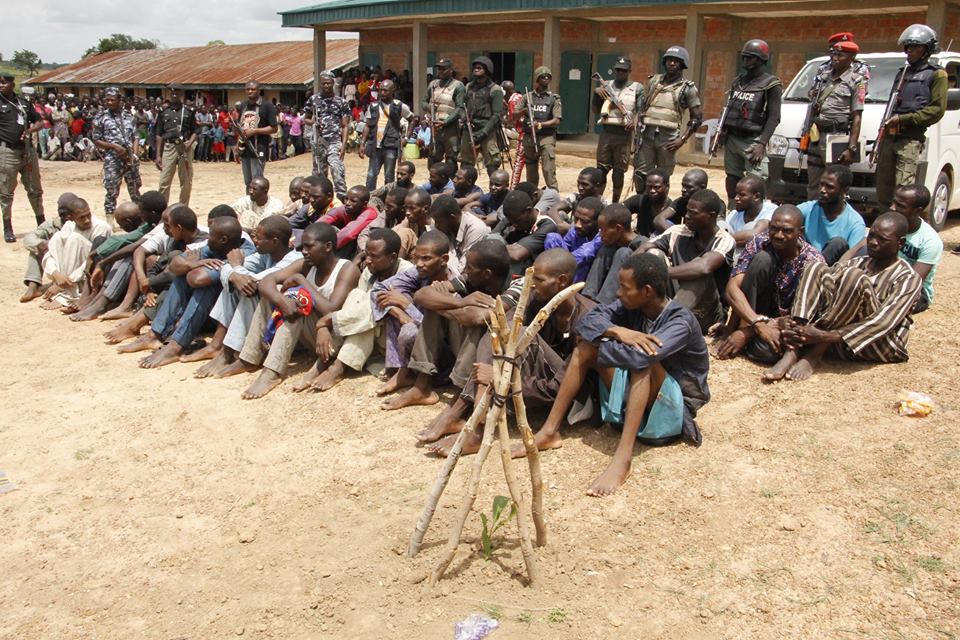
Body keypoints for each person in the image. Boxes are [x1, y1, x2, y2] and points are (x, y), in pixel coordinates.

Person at [516, 253, 709, 497]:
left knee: (645, 362)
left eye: (625, 288)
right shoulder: (630, 307)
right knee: (585, 346)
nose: (618, 293)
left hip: (671, 409)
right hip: (639, 396)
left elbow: (643, 357)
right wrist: (616, 331)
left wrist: (606, 342)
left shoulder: (680, 321)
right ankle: (549, 431)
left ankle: (623, 458)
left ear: (647, 291)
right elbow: (587, 323)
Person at [423, 249, 597, 454]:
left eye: (539, 280)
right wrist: (493, 378)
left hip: (574, 398)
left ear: (561, 281)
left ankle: (474, 428)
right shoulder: (537, 298)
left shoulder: (587, 316)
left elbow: (561, 386)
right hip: (542, 381)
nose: (532, 284)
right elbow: (501, 329)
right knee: (500, 331)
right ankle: (466, 416)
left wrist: (502, 381)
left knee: (521, 334)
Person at [763, 212, 922, 382]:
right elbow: (825, 287)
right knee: (816, 267)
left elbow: (882, 323)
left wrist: (822, 336)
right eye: (872, 236)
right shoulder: (858, 262)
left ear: (900, 243)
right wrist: (800, 326)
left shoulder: (908, 278)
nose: (874, 242)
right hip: (840, 342)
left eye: (882, 239)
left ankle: (814, 354)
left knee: (854, 277)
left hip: (877, 344)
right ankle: (793, 349)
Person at [379, 238, 524, 411]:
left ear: (486, 274)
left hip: (499, 359)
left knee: (477, 322)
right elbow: (422, 295)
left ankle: (462, 395)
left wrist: (448, 303)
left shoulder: (517, 284)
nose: (465, 271)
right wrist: (460, 303)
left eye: (469, 267)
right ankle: (421, 386)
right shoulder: (472, 279)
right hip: (466, 348)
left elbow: (479, 318)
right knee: (437, 306)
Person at [219, 222, 360, 399]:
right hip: (312, 333)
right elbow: (266, 281)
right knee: (272, 297)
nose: (304, 251)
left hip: (331, 336)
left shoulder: (346, 269)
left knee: (298, 303)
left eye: (309, 247)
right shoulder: (306, 263)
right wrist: (281, 300)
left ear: (328, 247)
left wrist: (301, 280)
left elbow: (331, 310)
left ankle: (272, 372)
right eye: (303, 247)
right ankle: (249, 358)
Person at [118, 214, 254, 369]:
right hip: (205, 313)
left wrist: (192, 265)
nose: (207, 239)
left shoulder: (244, 254)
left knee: (207, 285)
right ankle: (154, 334)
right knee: (182, 275)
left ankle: (176, 346)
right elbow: (175, 265)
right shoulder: (215, 246)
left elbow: (198, 280)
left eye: (211, 236)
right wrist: (192, 265)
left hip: (226, 318)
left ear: (223, 239)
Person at [299, 228, 413, 392]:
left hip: (396, 337)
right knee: (357, 296)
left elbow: (392, 309)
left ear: (392, 257)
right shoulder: (369, 272)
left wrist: (326, 322)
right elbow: (358, 310)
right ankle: (333, 364)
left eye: (374, 256)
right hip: (370, 331)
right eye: (367, 254)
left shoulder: (407, 272)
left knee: (372, 304)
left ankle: (333, 365)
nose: (367, 260)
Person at [188, 215, 302, 375]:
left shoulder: (293, 260)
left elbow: (259, 281)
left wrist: (236, 267)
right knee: (236, 284)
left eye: (260, 238)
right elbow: (226, 268)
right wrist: (234, 274)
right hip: (266, 314)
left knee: (250, 291)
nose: (255, 241)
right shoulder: (265, 254)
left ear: (275, 242)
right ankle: (219, 346)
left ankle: (233, 354)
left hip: (285, 321)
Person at [713, 205, 825, 364]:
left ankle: (744, 336)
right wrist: (757, 324)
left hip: (786, 321)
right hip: (754, 312)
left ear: (800, 231)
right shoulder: (760, 242)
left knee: (770, 352)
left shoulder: (812, 261)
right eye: (774, 228)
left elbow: (807, 316)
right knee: (762, 259)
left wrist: (750, 331)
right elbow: (732, 289)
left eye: (787, 230)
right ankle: (737, 331)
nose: (779, 235)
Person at [371, 231, 458, 400]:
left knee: (410, 327)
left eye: (425, 258)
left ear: (444, 260)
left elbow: (439, 329)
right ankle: (403, 372)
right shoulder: (420, 273)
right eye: (416, 258)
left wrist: (406, 305)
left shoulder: (455, 286)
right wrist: (402, 314)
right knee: (392, 301)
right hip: (420, 342)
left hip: (444, 357)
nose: (419, 264)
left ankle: (419, 380)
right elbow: (378, 290)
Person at [637, 189, 736, 334]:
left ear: (711, 216)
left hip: (706, 313)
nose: (687, 216)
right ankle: (645, 316)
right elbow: (644, 247)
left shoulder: (724, 240)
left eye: (693, 213)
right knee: (653, 254)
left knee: (699, 272)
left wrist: (660, 272)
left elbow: (704, 267)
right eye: (687, 211)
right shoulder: (678, 231)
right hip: (674, 300)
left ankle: (663, 328)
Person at [875, 24, 948, 209]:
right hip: (889, 138)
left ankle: (901, 229)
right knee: (883, 188)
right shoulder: (903, 73)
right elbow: (891, 107)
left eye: (916, 47)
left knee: (903, 191)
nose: (910, 51)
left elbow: (937, 110)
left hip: (909, 140)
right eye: (908, 47)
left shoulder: (937, 74)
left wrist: (904, 119)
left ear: (927, 50)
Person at [803, 33, 869, 201]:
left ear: (851, 58)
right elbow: (812, 105)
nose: (835, 58)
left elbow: (857, 117)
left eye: (840, 55)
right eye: (833, 54)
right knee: (813, 184)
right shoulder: (823, 77)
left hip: (836, 137)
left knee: (834, 186)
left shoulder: (857, 81)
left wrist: (851, 147)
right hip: (816, 136)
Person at [720, 40, 782, 201]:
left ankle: (756, 215)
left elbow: (774, 117)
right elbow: (729, 108)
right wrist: (722, 132)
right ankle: (733, 208)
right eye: (745, 56)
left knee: (756, 181)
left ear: (762, 60)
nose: (746, 60)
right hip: (732, 138)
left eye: (751, 57)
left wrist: (761, 144)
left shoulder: (771, 84)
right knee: (732, 176)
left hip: (752, 140)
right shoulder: (738, 81)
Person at [635, 46, 703, 190]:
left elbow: (697, 118)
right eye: (669, 60)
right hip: (647, 135)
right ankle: (642, 208)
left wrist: (682, 139)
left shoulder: (687, 88)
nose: (672, 63)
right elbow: (642, 106)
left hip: (669, 140)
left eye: (676, 61)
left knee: (662, 179)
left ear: (682, 64)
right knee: (640, 176)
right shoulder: (654, 82)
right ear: (664, 62)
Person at [38, 197, 111, 309]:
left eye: (88, 215)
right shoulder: (69, 226)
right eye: (81, 217)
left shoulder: (101, 227)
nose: (87, 220)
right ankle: (63, 284)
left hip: (88, 272)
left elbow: (93, 259)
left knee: (74, 239)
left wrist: (67, 281)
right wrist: (56, 274)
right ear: (70, 217)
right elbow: (51, 254)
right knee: (57, 238)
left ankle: (66, 294)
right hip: (66, 276)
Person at [0, 72, 45, 242]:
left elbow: (40, 121)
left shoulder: (23, 103)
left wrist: (30, 131)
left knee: (35, 189)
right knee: (6, 192)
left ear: (13, 84)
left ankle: (41, 224)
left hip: (27, 151)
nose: (1, 85)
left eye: (4, 82)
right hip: (7, 152)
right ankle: (8, 228)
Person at [594, 57, 643, 203]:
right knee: (601, 169)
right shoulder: (607, 85)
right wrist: (597, 93)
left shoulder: (637, 88)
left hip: (624, 135)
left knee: (619, 170)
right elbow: (595, 110)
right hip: (607, 132)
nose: (620, 73)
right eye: (618, 70)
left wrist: (634, 120)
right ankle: (598, 200)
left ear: (629, 71)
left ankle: (615, 201)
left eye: (623, 70)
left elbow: (641, 110)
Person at [798, 164, 866, 265]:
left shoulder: (855, 223)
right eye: (821, 184)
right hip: (804, 263)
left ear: (845, 190)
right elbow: (788, 213)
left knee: (838, 244)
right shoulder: (811, 208)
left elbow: (851, 260)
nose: (822, 190)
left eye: (829, 187)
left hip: (831, 272)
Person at [92, 87, 141, 224]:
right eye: (107, 100)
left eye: (112, 100)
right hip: (113, 159)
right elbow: (96, 139)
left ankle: (140, 220)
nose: (109, 102)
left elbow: (136, 136)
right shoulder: (101, 117)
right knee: (112, 190)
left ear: (120, 100)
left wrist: (135, 155)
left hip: (130, 159)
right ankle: (109, 221)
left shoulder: (128, 116)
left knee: (135, 190)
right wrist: (114, 146)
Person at [892, 185, 942, 313]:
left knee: (893, 307)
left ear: (918, 210)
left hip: (917, 289)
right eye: (894, 202)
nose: (892, 208)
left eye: (900, 206)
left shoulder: (930, 241)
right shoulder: (890, 224)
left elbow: (913, 280)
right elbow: (861, 247)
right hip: (888, 277)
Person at [582, 203, 645, 304]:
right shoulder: (610, 245)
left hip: (632, 298)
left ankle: (602, 305)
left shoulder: (642, 246)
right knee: (605, 250)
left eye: (603, 230)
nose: (601, 235)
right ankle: (587, 298)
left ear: (618, 229)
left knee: (623, 252)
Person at [21, 192, 76, 302]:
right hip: (55, 259)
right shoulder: (52, 225)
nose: (67, 217)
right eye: (63, 214)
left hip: (73, 262)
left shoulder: (82, 222)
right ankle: (33, 286)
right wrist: (43, 244)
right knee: (35, 249)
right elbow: (28, 239)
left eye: (69, 214)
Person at [305, 71, 351, 201]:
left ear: (333, 83)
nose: (326, 86)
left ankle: (341, 200)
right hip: (319, 142)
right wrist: (314, 123)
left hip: (335, 142)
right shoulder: (314, 100)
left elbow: (345, 125)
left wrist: (343, 145)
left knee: (337, 171)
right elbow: (306, 119)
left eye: (328, 83)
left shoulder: (341, 102)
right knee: (319, 175)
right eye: (323, 83)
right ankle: (320, 201)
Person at [360, 79, 412, 191]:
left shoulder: (399, 106)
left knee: (389, 176)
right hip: (375, 146)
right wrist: (362, 143)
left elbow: (413, 119)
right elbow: (368, 125)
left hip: (391, 146)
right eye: (381, 90)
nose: (382, 93)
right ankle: (369, 198)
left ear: (392, 91)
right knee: (371, 175)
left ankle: (388, 198)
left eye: (386, 91)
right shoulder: (373, 106)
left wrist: (407, 137)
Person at [515, 67, 562, 189]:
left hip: (546, 138)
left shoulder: (554, 98)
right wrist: (525, 110)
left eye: (548, 76)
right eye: (543, 76)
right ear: (537, 79)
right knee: (531, 169)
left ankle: (553, 194)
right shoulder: (527, 97)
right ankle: (532, 194)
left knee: (548, 168)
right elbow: (513, 115)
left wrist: (540, 125)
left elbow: (557, 120)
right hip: (529, 138)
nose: (546, 78)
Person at [496, 190, 558, 278]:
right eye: (511, 221)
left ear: (529, 210)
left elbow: (517, 254)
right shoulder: (514, 217)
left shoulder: (547, 225)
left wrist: (493, 248)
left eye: (517, 221)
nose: (514, 225)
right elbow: (489, 238)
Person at [460, 56, 504, 177]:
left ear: (488, 70)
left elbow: (496, 115)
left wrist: (484, 132)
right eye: (475, 67)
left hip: (487, 130)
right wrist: (464, 117)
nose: (476, 69)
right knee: (465, 164)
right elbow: (461, 106)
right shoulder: (468, 87)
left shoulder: (495, 89)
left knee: (492, 165)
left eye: (480, 67)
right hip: (469, 128)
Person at [543, 195, 603, 282]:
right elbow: (564, 248)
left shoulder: (602, 236)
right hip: (567, 269)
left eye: (585, 221)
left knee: (584, 262)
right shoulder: (575, 230)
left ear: (598, 221)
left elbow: (585, 254)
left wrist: (559, 263)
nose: (578, 224)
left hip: (584, 278)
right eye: (576, 218)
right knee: (552, 238)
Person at [155, 85, 197, 206]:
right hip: (169, 148)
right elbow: (159, 134)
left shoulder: (189, 112)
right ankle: (161, 209)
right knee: (164, 181)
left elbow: (195, 130)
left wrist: (190, 143)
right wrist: (158, 155)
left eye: (177, 93)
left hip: (184, 147)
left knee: (186, 181)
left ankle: (183, 207)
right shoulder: (164, 112)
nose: (174, 95)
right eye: (172, 93)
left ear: (181, 94)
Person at [422, 58, 465, 171]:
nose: (440, 71)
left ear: (450, 70)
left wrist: (445, 122)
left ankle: (451, 185)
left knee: (451, 159)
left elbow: (460, 108)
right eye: (439, 69)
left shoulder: (458, 86)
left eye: (443, 69)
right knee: (433, 156)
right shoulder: (433, 85)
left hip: (450, 127)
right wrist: (429, 107)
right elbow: (423, 102)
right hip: (434, 127)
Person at [430, 194, 488, 272]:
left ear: (452, 218)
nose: (436, 225)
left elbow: (464, 268)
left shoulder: (475, 229)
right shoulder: (448, 225)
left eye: (438, 222)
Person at [721, 175, 777, 257]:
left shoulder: (771, 211)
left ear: (756, 197)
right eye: (736, 194)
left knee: (750, 227)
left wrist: (721, 239)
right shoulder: (734, 214)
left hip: (759, 258)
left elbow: (754, 235)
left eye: (742, 195)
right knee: (721, 224)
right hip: (732, 252)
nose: (736, 198)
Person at [318, 184, 379, 259]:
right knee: (327, 228)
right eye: (346, 198)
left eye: (353, 201)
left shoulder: (369, 213)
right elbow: (328, 217)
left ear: (364, 204)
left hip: (364, 247)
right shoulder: (346, 208)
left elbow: (348, 234)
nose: (347, 203)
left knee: (350, 240)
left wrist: (324, 248)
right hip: (347, 241)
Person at [237, 81, 279, 188]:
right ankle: (249, 202)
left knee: (257, 181)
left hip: (258, 148)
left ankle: (257, 203)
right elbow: (240, 126)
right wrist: (238, 146)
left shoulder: (267, 106)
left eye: (253, 89)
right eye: (248, 89)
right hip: (245, 148)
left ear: (259, 91)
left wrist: (255, 131)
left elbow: (274, 128)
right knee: (247, 182)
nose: (250, 91)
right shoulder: (243, 105)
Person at [623, 169, 672, 238]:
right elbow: (618, 211)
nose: (652, 191)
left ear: (667, 187)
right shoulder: (640, 200)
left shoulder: (672, 209)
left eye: (657, 187)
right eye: (649, 187)